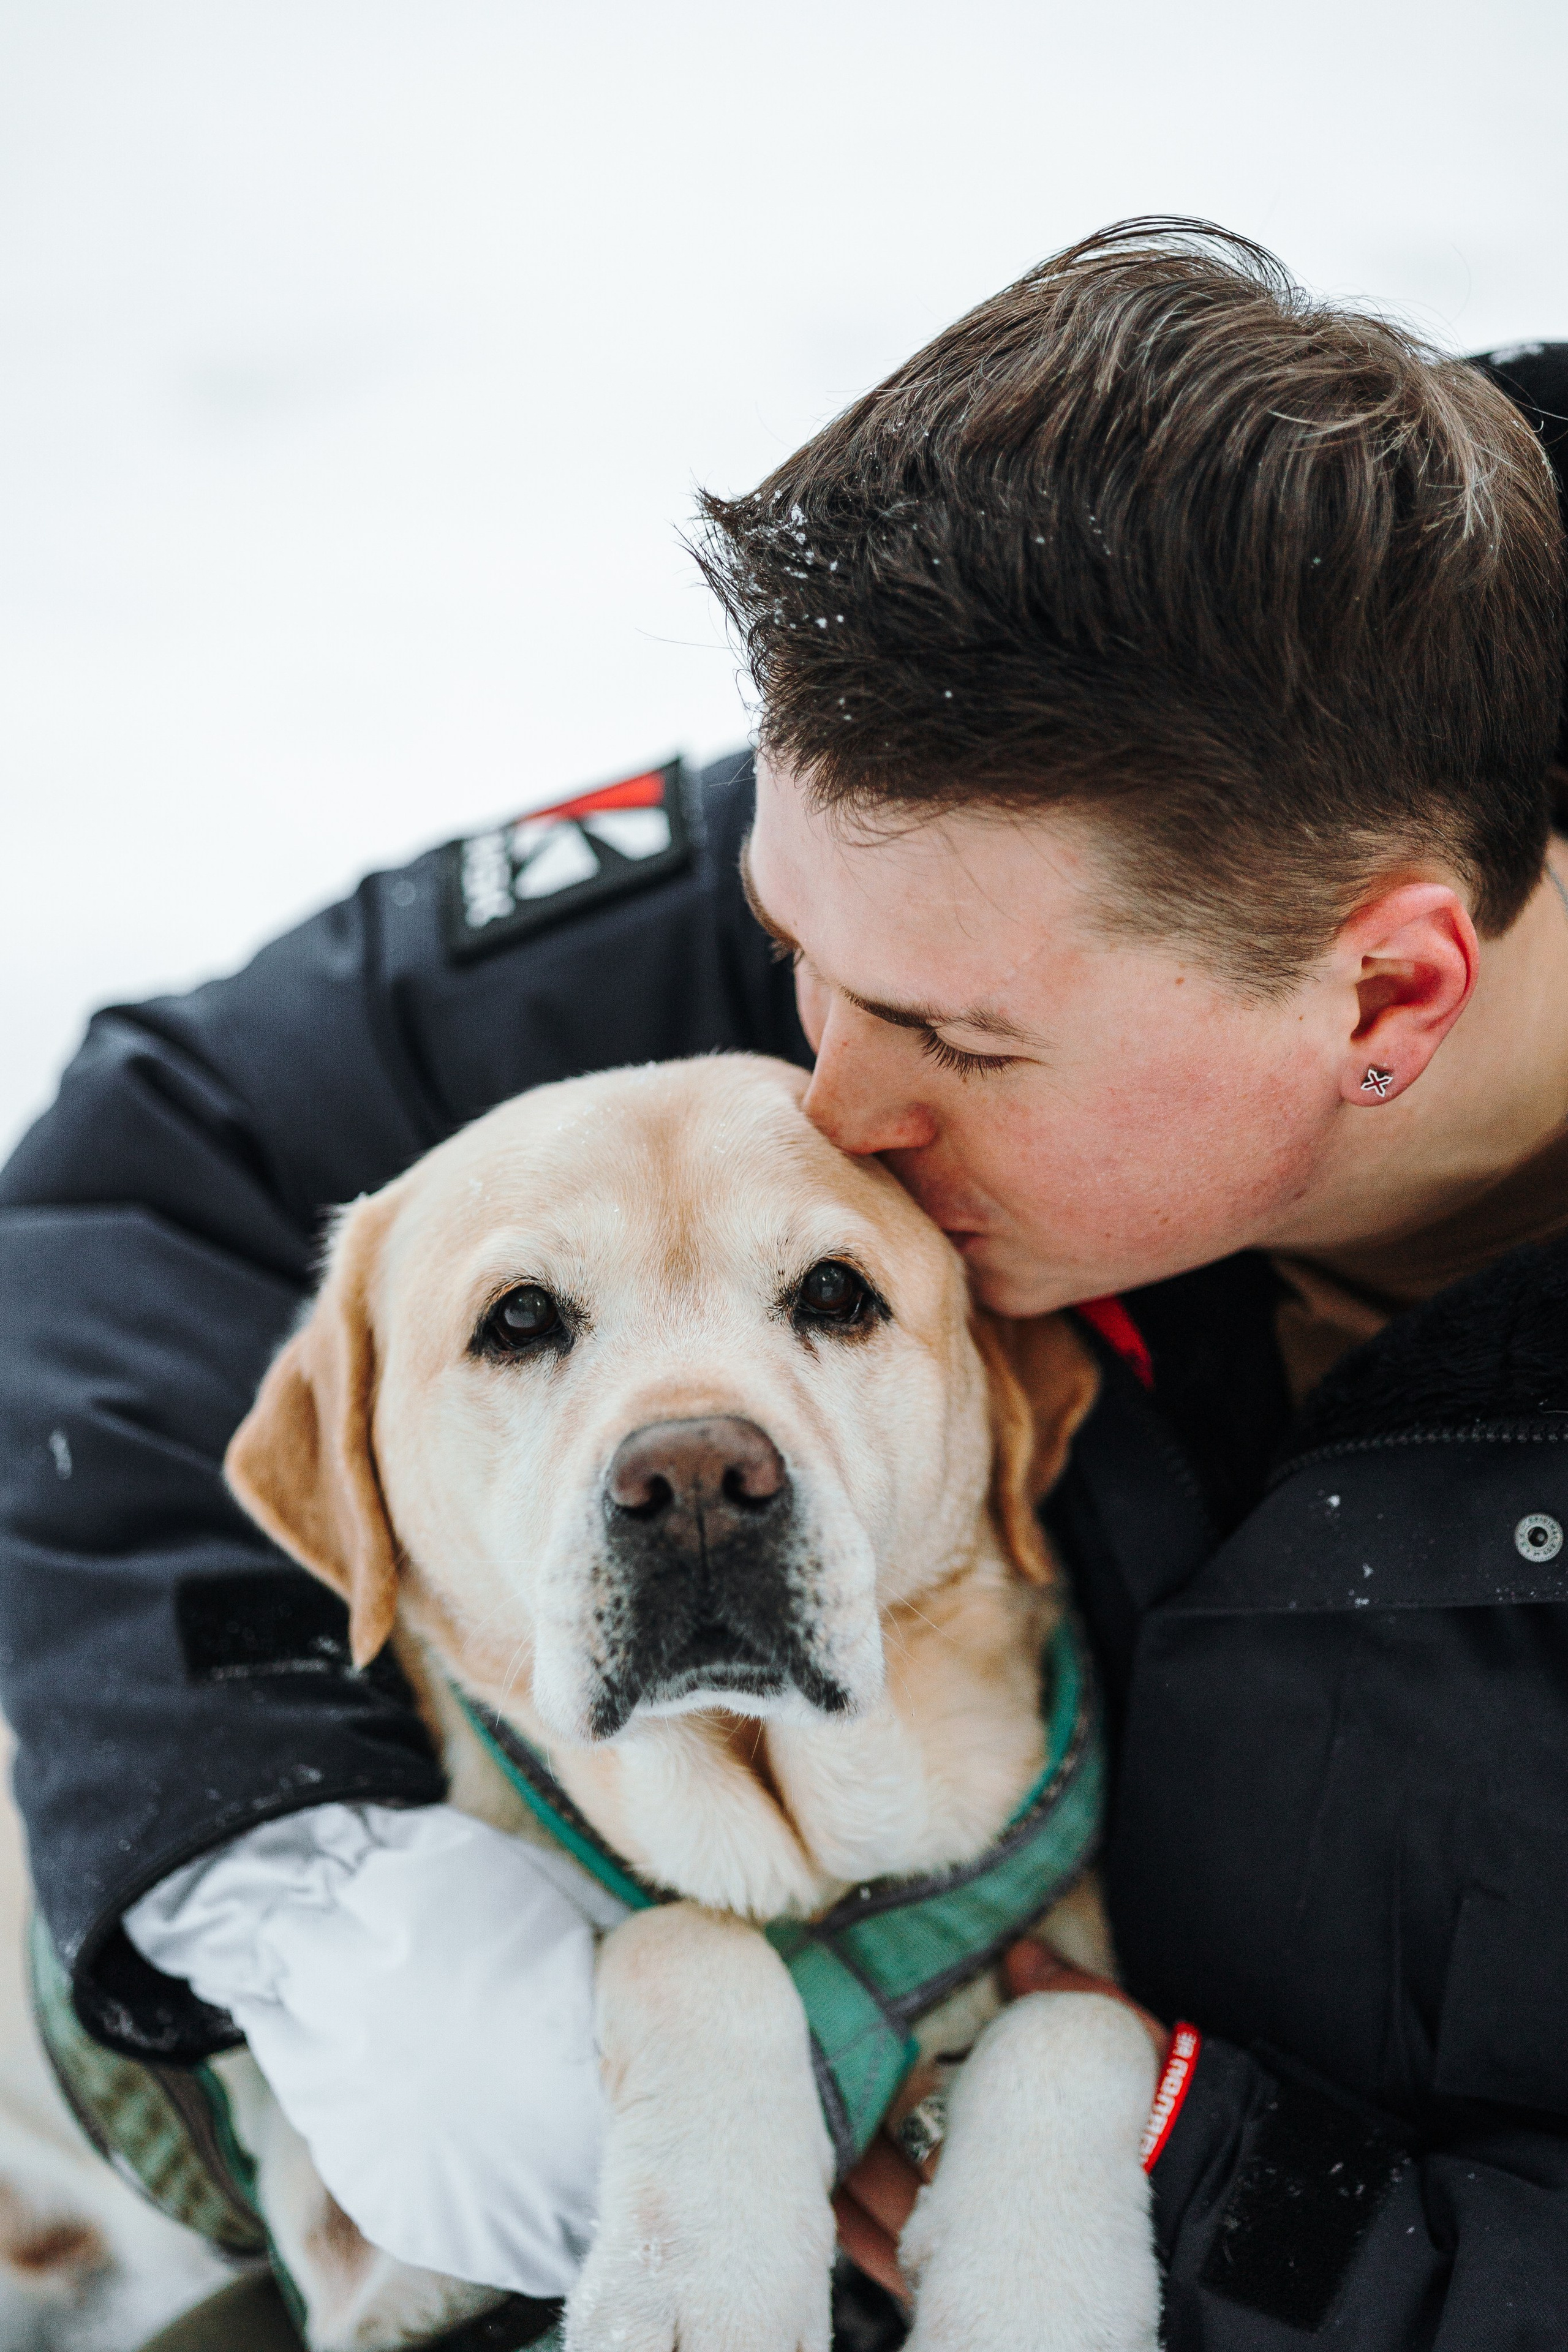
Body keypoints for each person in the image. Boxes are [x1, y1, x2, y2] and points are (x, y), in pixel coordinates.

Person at [2, 220, 1567, 2350]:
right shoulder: (993, 817)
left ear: (1386, 992)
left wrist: (1208, 2200)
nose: (825, 1098)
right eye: (789, 949)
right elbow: (143, 1167)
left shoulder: (1143, 866)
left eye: (957, 1042)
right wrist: (282, 1860)